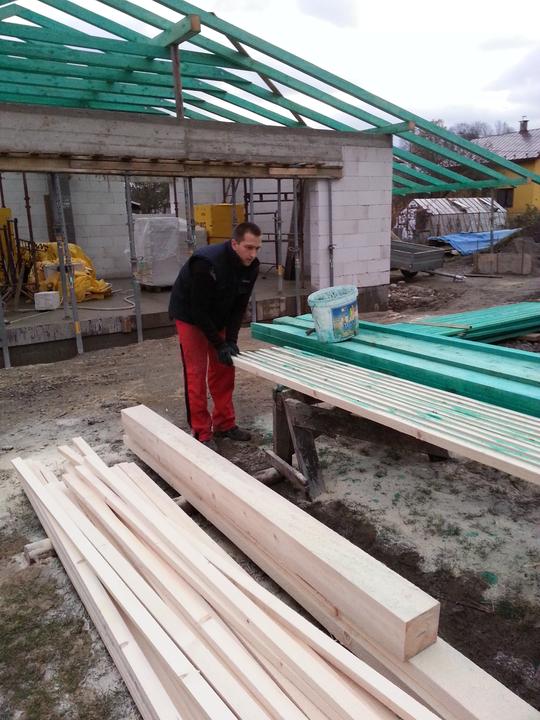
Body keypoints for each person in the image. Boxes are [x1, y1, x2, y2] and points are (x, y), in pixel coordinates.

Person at [169, 222, 262, 450]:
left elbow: (239, 307)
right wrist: (218, 343)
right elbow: (198, 310)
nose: (253, 254)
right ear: (234, 244)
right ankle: (201, 431)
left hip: (219, 313)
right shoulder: (206, 264)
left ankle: (224, 423)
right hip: (191, 316)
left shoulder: (252, 266)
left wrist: (230, 342)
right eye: (249, 247)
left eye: (257, 248)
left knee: (225, 367)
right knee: (196, 373)